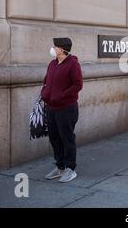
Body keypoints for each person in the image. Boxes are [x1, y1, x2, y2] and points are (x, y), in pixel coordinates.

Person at [42, 38, 83, 183]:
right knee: (54, 137)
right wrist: (44, 94)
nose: (53, 48)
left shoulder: (73, 64)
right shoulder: (52, 64)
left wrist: (61, 95)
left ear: (62, 49)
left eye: (55, 46)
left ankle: (70, 169)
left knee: (67, 138)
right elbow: (46, 81)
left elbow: (78, 85)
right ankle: (59, 166)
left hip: (66, 108)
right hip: (51, 107)